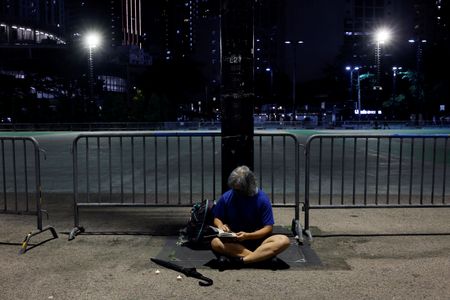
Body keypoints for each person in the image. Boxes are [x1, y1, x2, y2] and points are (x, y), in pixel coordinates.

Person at [211, 166, 290, 268]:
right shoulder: (227, 196)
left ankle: (242, 261)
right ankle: (261, 258)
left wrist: (248, 235)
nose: (236, 192)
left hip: (257, 238)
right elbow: (217, 218)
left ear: (248, 187)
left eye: (239, 190)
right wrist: (221, 225)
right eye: (234, 189)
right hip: (235, 239)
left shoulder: (262, 199)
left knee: (284, 240)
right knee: (215, 242)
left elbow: (268, 228)